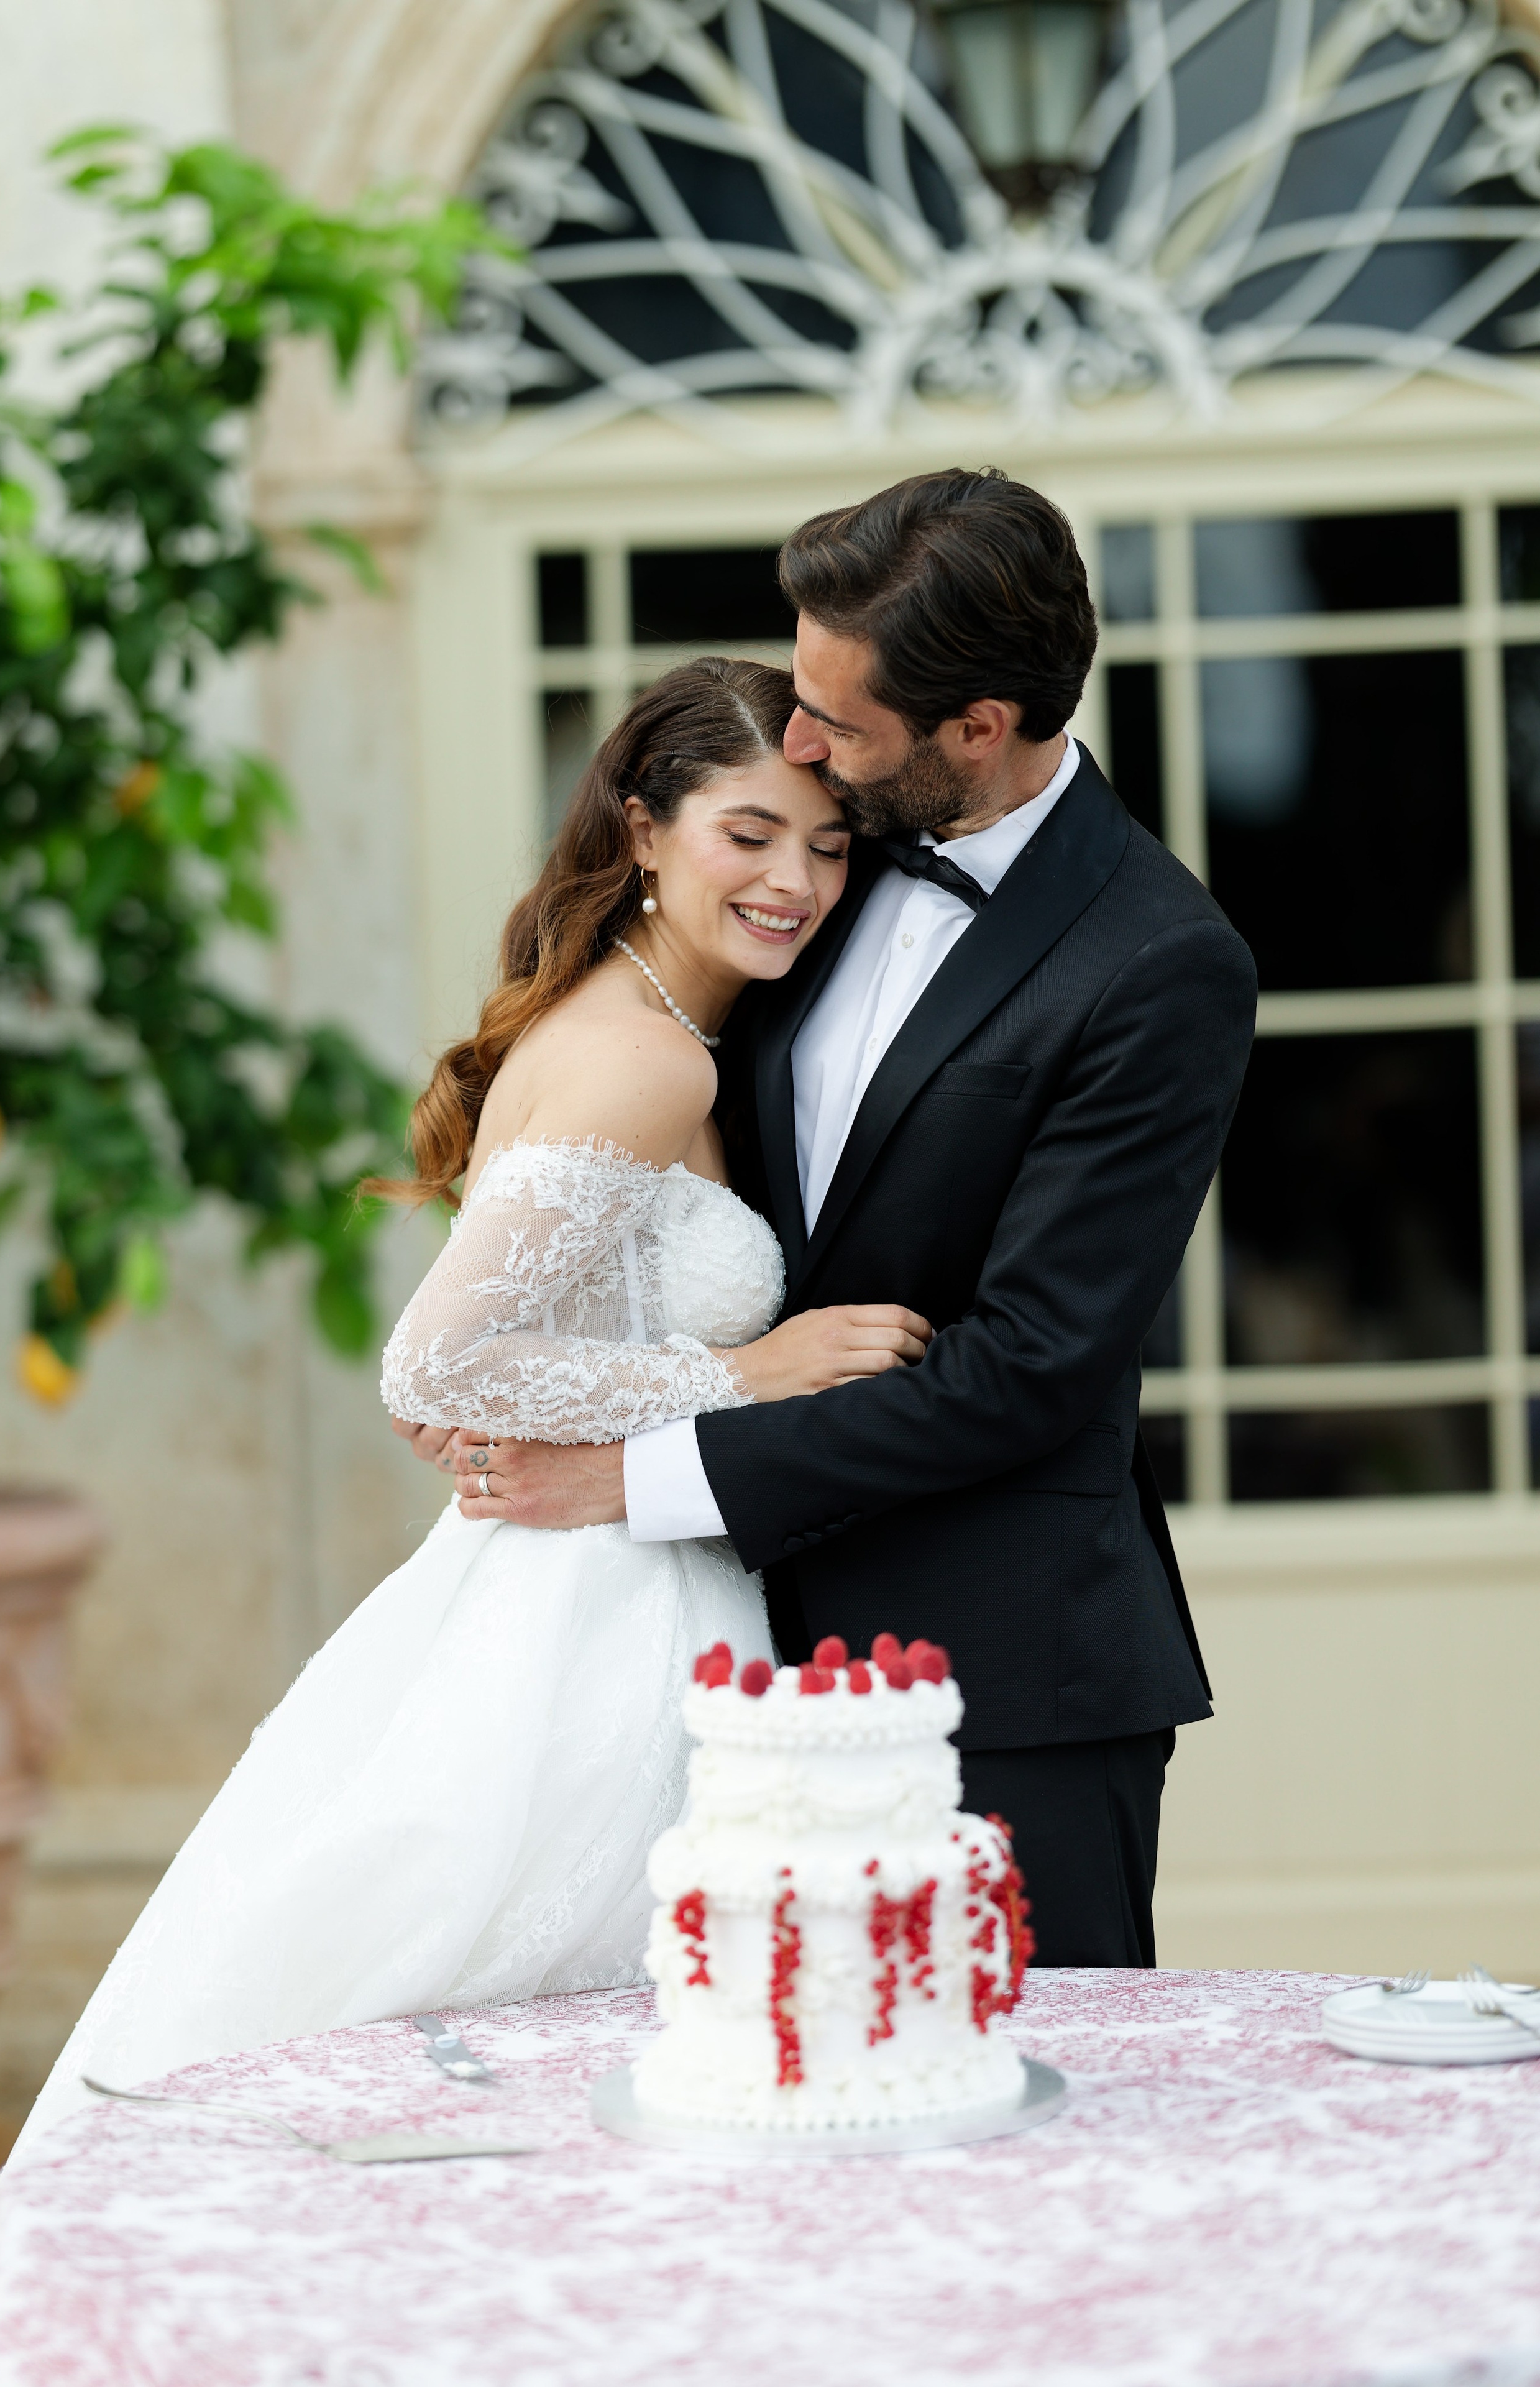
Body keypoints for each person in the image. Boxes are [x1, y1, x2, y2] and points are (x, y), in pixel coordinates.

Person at [9, 657, 931, 2161]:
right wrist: (742, 1373)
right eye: (747, 834)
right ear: (644, 831)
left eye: (828, 847)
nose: (796, 880)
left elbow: (515, 1349)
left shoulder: (658, 1034)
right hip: (595, 1618)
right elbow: (432, 1363)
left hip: (602, 1571)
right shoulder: (635, 1056)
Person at [416, 469, 1259, 1969]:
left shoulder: (1160, 961)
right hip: (714, 1656)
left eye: (838, 724)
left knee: (1012, 2137)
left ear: (977, 729)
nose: (798, 746)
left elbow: (1027, 1366)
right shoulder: (813, 859)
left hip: (994, 1684)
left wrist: (642, 1474)